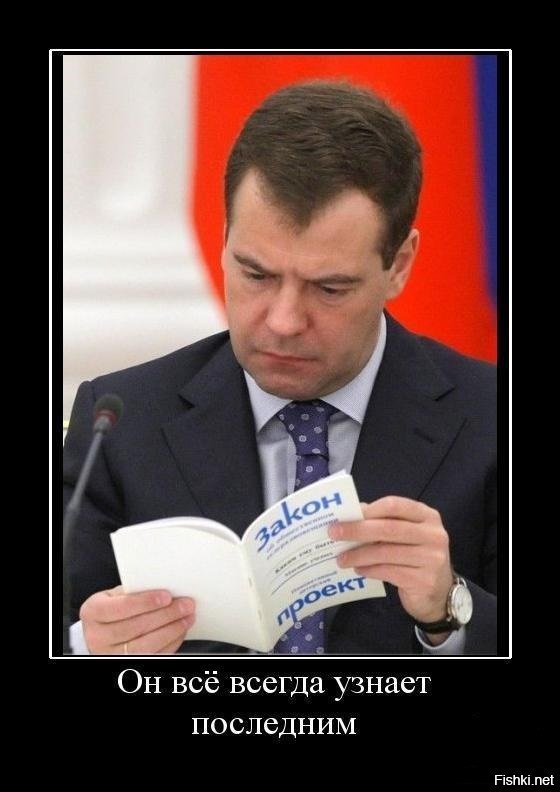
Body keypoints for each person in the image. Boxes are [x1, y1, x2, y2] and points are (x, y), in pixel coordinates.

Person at [63, 80, 497, 655]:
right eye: (257, 275)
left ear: (399, 265)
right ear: (224, 242)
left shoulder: (490, 419)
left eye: (329, 288)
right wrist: (86, 645)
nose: (284, 320)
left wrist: (450, 611)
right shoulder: (120, 423)